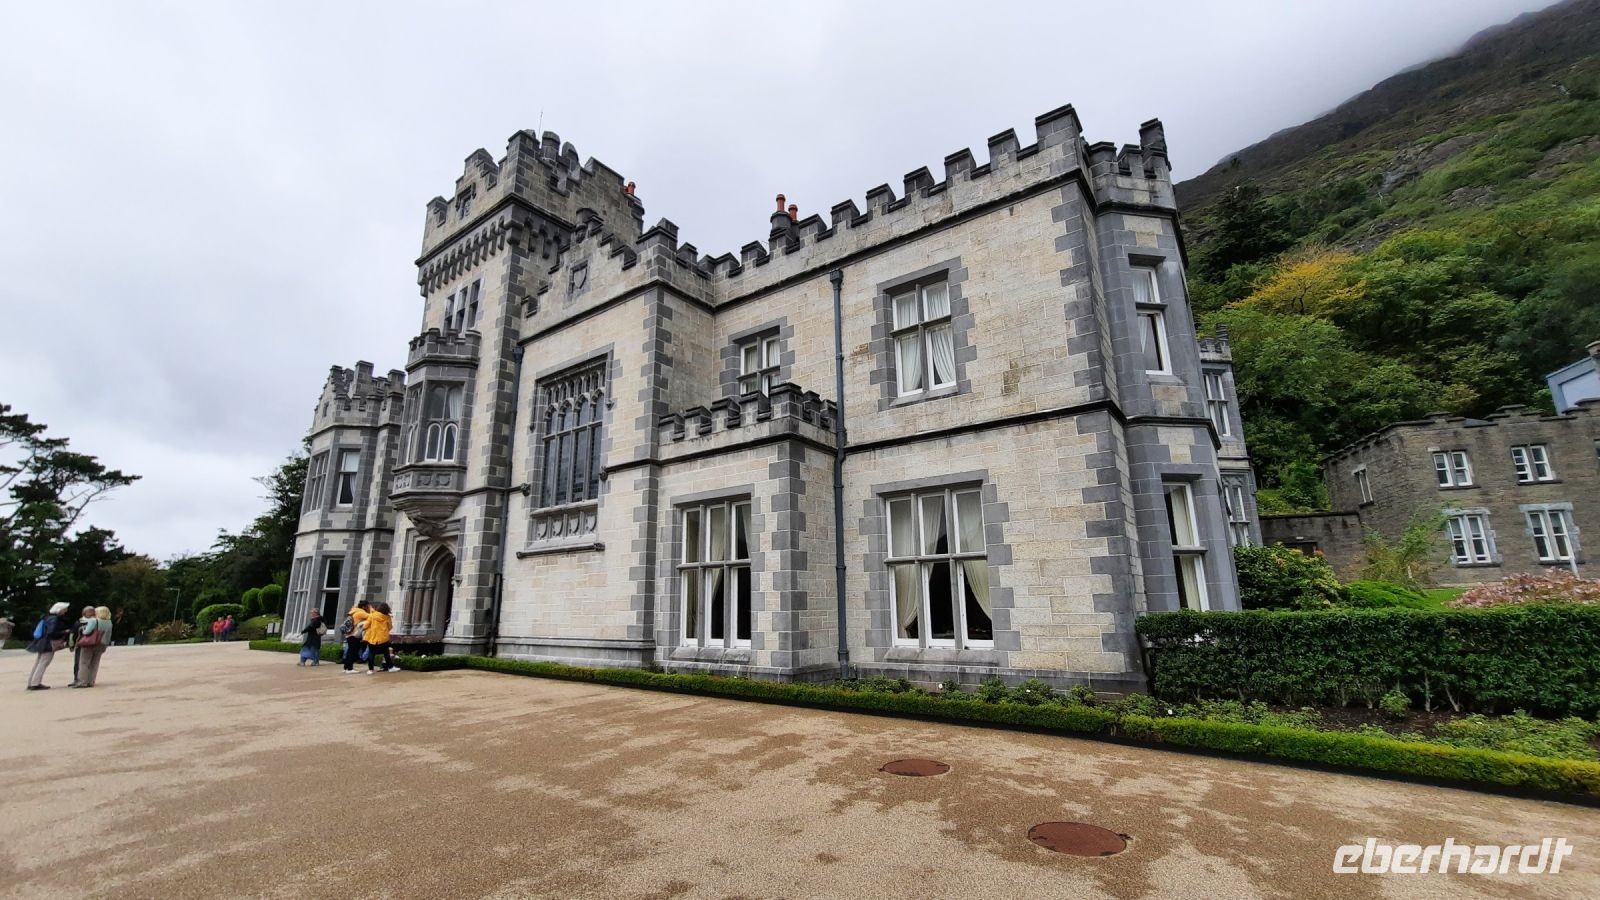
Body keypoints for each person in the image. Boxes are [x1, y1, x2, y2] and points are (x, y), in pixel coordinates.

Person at [26, 602, 73, 691]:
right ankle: (35, 683)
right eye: (64, 609)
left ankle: (32, 682)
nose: (65, 611)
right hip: (48, 643)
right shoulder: (55, 619)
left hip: (42, 642)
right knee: (43, 663)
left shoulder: (47, 617)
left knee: (38, 663)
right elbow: (52, 633)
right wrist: (64, 632)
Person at [73, 607, 113, 688]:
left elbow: (87, 632)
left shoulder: (93, 620)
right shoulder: (109, 622)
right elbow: (108, 635)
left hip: (90, 644)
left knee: (84, 663)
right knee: (95, 663)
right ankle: (91, 681)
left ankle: (82, 682)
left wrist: (83, 629)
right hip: (101, 644)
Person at [340, 600, 371, 674]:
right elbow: (372, 617)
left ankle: (346, 667)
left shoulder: (354, 611)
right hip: (354, 635)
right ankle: (350, 669)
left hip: (349, 634)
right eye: (367, 606)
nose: (368, 608)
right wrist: (372, 610)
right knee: (353, 652)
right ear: (363, 607)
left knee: (350, 651)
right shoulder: (361, 612)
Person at [363, 601, 394, 674]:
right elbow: (390, 627)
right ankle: (390, 667)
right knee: (386, 653)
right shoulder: (387, 617)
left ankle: (370, 670)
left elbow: (365, 626)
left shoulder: (372, 615)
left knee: (371, 653)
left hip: (372, 637)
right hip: (383, 638)